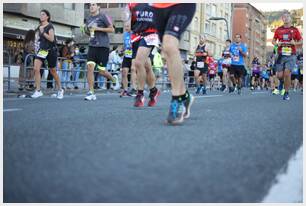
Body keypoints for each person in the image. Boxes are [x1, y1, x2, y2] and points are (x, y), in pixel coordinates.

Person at [150, 3, 196, 125]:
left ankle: (177, 100)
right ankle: (185, 96)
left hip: (181, 5)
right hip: (157, 7)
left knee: (169, 45)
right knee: (167, 50)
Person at [128, 3, 160, 107]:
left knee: (138, 63)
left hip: (151, 34)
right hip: (136, 35)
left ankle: (140, 94)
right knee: (146, 66)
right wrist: (127, 21)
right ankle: (153, 91)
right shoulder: (132, 4)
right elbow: (128, 18)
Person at [83, 3, 116, 100]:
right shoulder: (88, 19)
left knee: (101, 71)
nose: (91, 7)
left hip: (103, 46)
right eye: (90, 5)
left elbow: (112, 29)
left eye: (93, 5)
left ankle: (113, 79)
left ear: (98, 7)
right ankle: (91, 92)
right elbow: (89, 32)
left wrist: (98, 28)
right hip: (92, 45)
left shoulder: (103, 16)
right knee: (90, 68)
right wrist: (85, 30)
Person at [31, 9, 64, 99]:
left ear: (47, 17)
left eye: (43, 14)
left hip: (51, 50)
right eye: (40, 14)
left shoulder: (50, 26)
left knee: (52, 71)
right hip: (42, 50)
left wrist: (43, 32)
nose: (41, 16)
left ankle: (60, 90)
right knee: (36, 69)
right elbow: (38, 39)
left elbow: (51, 39)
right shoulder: (39, 26)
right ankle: (38, 90)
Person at [272, 12, 303, 100]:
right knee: (279, 76)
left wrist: (295, 43)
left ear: (290, 18)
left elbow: (301, 41)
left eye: (287, 17)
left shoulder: (295, 30)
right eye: (284, 17)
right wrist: (278, 44)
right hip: (281, 54)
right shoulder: (278, 30)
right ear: (282, 19)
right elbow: (273, 41)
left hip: (291, 55)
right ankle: (282, 82)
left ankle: (286, 92)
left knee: (287, 73)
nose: (285, 18)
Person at [120, 22, 137, 97]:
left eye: (127, 26)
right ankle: (125, 90)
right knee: (124, 72)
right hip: (127, 55)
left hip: (134, 54)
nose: (126, 28)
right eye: (125, 26)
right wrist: (122, 49)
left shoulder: (135, 34)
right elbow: (125, 44)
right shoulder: (125, 34)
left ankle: (134, 89)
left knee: (133, 70)